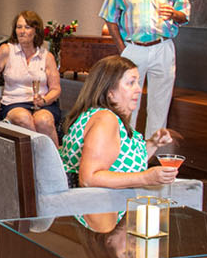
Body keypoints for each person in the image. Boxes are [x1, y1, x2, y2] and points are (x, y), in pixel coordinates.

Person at [99, 0, 189, 142]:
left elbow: (185, 15)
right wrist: (123, 49)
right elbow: (109, 17)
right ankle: (126, 147)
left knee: (160, 103)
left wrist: (174, 14)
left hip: (163, 47)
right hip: (133, 48)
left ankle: (152, 150)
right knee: (128, 101)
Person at [59, 55, 181, 190]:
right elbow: (89, 179)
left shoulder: (98, 115)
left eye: (138, 82)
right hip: (97, 203)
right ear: (110, 92)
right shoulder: (105, 119)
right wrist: (146, 178)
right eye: (131, 83)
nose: (139, 89)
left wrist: (153, 143)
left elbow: (123, 162)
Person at [0, 10, 62, 146]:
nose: (22, 31)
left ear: (36, 31)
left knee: (44, 120)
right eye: (19, 27)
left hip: (43, 104)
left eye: (27, 27)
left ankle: (55, 157)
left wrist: (44, 100)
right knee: (23, 118)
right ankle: (39, 154)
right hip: (14, 103)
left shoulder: (47, 57)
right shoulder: (6, 50)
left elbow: (56, 88)